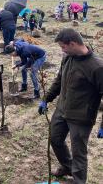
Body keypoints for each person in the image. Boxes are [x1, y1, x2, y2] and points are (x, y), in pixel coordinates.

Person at [38, 28, 103, 183]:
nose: (62, 50)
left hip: (81, 116)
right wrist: (46, 99)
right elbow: (59, 80)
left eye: (63, 46)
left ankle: (79, 180)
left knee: (79, 152)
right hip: (62, 109)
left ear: (73, 44)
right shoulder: (68, 57)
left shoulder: (97, 67)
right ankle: (67, 166)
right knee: (55, 139)